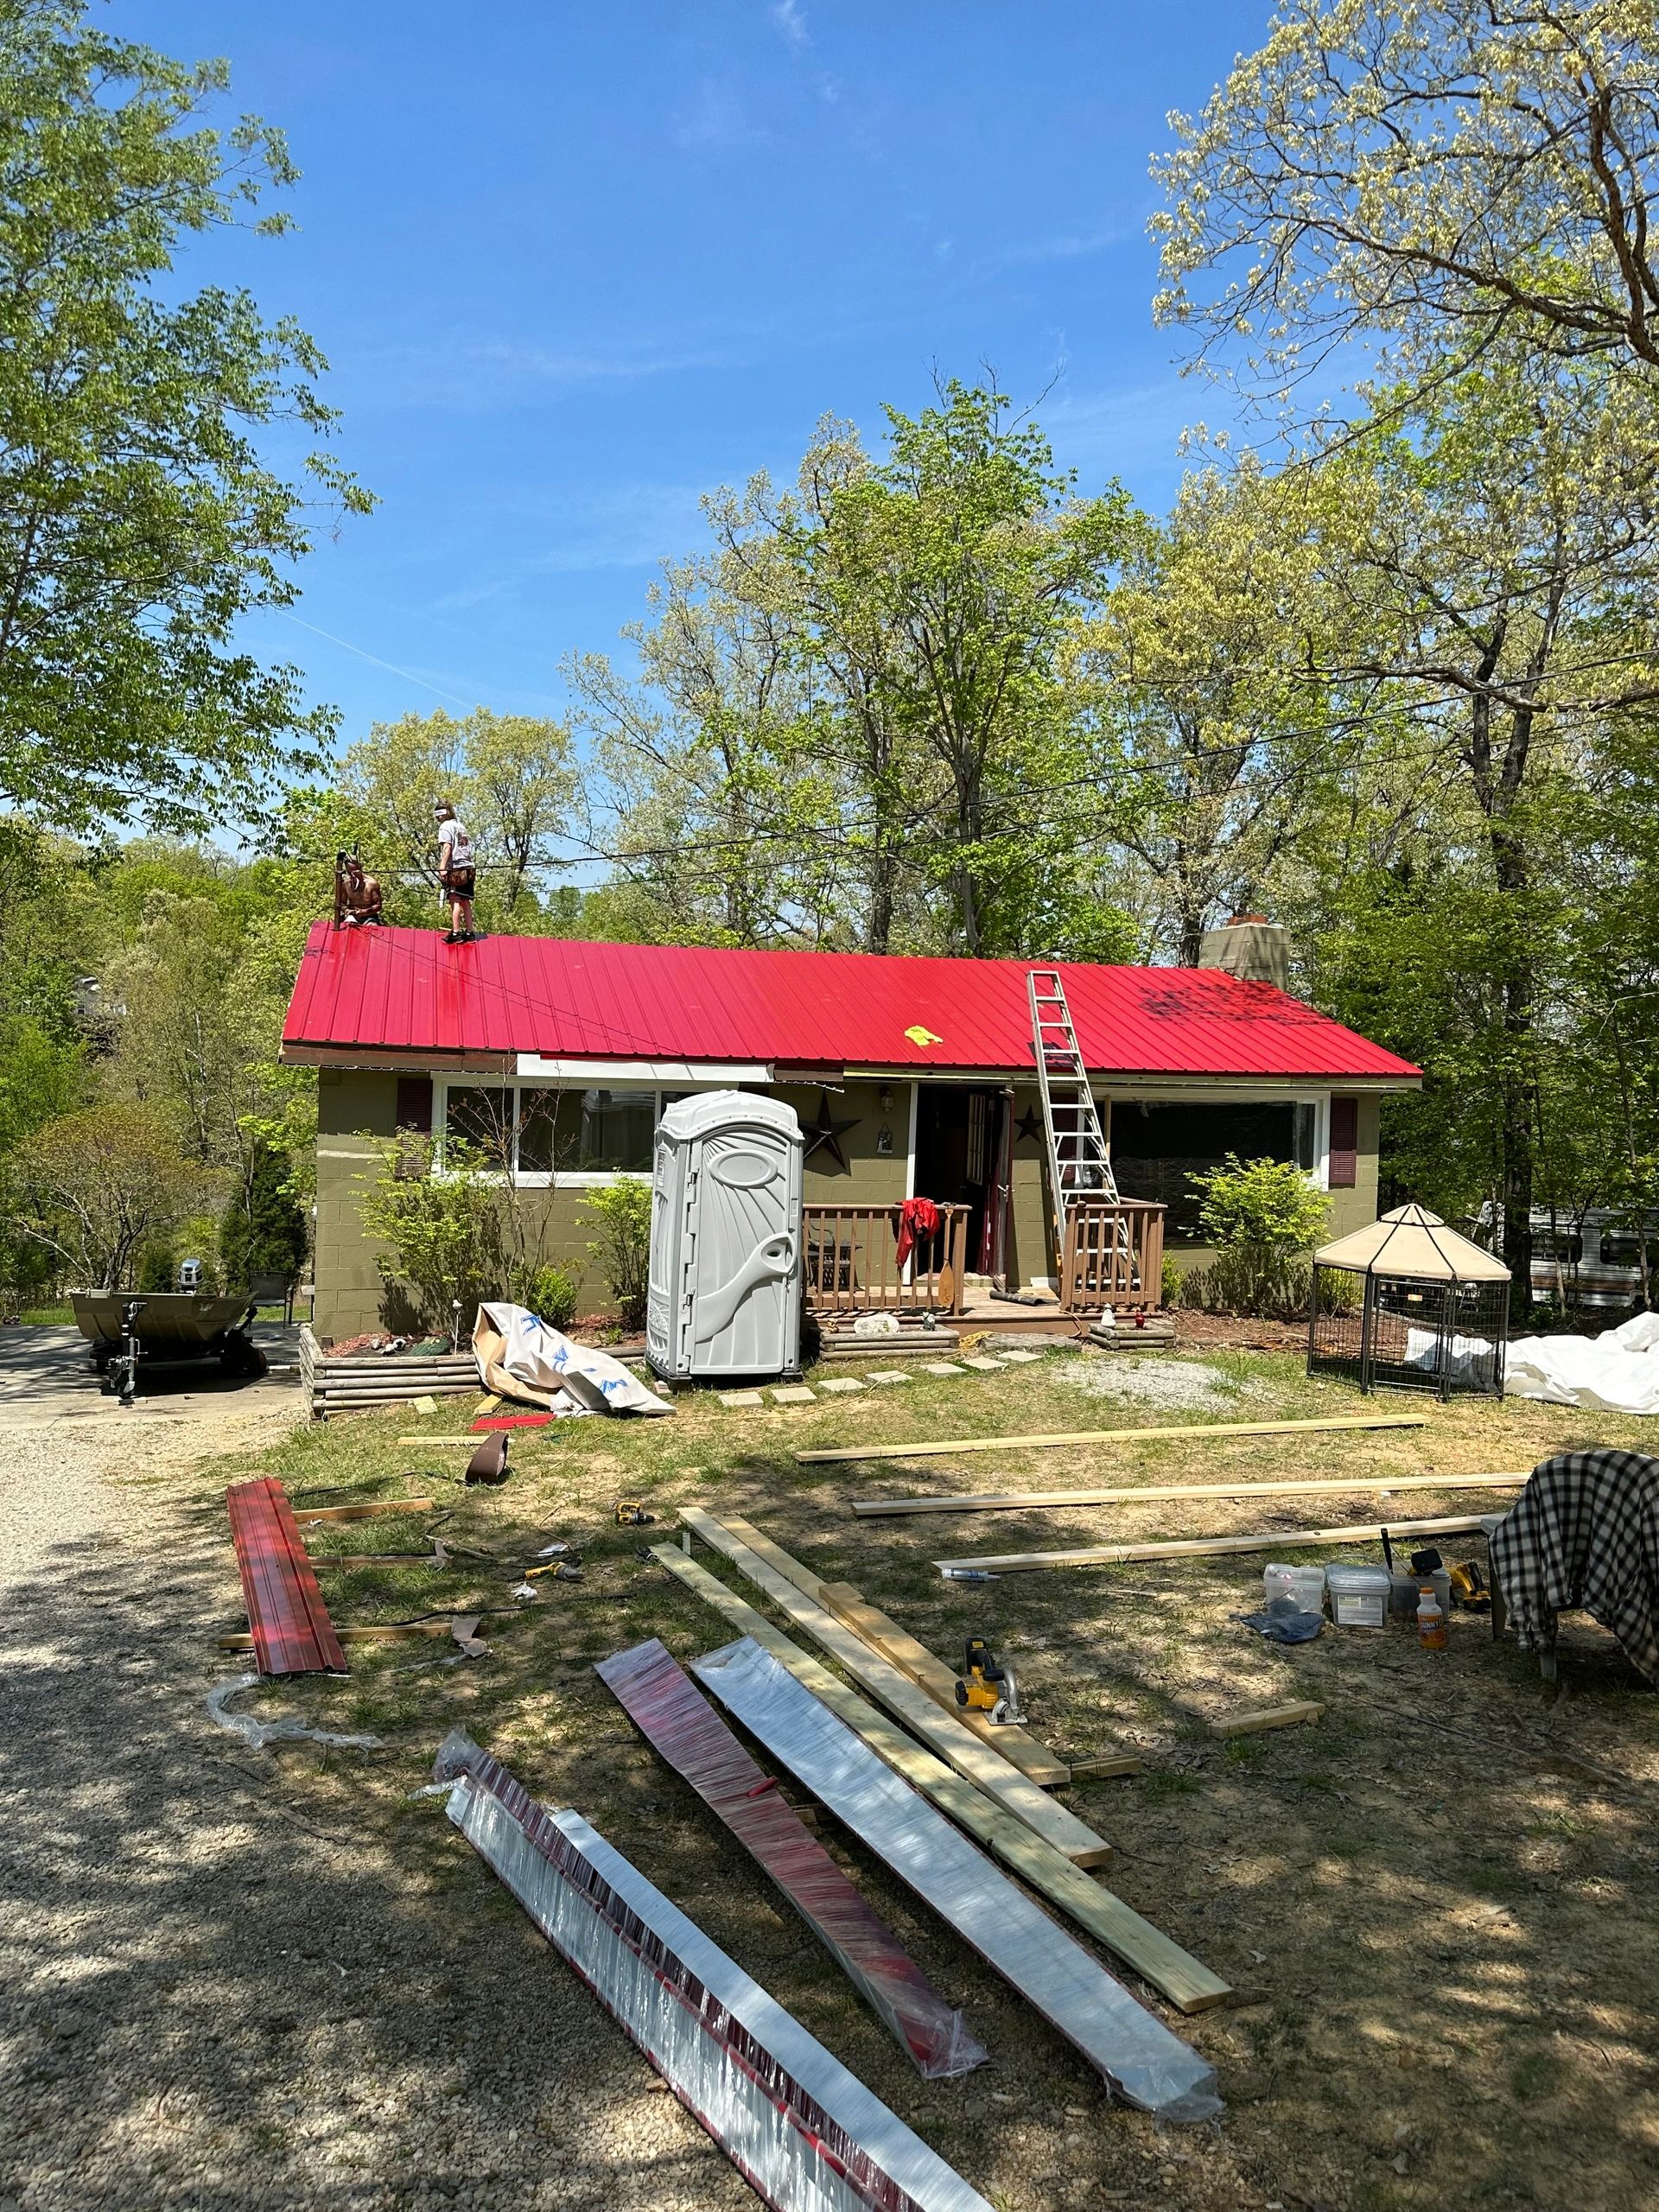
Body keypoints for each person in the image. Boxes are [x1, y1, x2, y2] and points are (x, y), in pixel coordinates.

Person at [434, 801, 478, 943]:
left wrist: (442, 867)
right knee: (466, 901)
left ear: (442, 815)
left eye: (438, 816)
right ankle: (470, 932)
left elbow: (447, 847)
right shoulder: (460, 825)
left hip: (457, 869)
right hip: (469, 867)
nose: (437, 819)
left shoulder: (445, 826)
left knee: (455, 899)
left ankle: (456, 933)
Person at [334, 850, 384, 928]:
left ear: (359, 868)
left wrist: (363, 912)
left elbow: (378, 905)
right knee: (343, 930)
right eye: (350, 873)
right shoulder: (346, 884)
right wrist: (347, 910)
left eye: (355, 872)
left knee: (373, 929)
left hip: (369, 917)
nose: (353, 875)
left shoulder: (372, 883)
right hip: (351, 917)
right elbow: (342, 903)